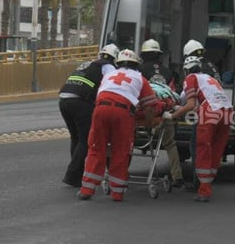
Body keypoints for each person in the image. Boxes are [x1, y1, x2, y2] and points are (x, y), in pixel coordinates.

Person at [78, 49, 157, 202]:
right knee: (120, 151)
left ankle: (87, 190)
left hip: (101, 109)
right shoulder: (141, 79)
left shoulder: (108, 75)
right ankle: (117, 192)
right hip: (123, 113)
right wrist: (149, 124)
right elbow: (150, 107)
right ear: (136, 65)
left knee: (96, 148)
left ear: (118, 63)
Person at [166, 56, 233, 202]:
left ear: (186, 70)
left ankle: (204, 191)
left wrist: (172, 116)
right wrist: (183, 109)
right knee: (215, 150)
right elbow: (200, 102)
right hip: (227, 111)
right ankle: (208, 182)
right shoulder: (209, 78)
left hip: (210, 112)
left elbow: (190, 104)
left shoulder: (190, 78)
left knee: (202, 148)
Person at [58, 43, 119, 187]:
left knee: (76, 138)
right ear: (115, 58)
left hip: (64, 100)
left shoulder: (89, 63)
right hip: (80, 101)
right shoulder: (108, 67)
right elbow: (112, 86)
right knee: (86, 139)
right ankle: (72, 175)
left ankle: (77, 174)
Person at [139, 40, 185, 188]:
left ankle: (119, 173)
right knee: (170, 144)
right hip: (164, 111)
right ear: (158, 55)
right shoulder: (168, 72)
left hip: (146, 113)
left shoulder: (139, 70)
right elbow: (171, 94)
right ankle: (177, 176)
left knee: (129, 140)